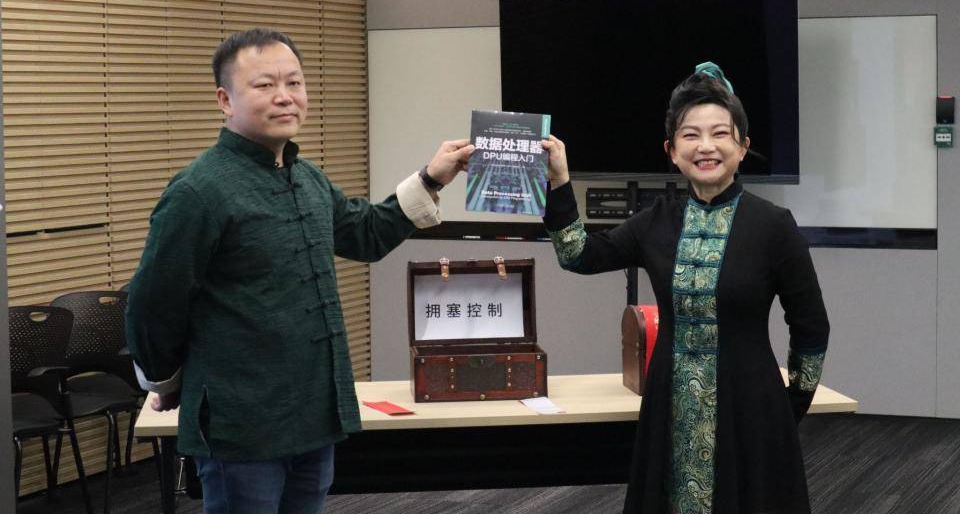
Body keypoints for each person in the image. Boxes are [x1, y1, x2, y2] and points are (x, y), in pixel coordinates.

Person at [125, 28, 474, 514]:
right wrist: (166, 381)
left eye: (294, 82)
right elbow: (152, 303)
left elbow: (365, 233)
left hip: (314, 413)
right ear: (225, 100)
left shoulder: (306, 177)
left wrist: (432, 177)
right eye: (265, 85)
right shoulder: (198, 191)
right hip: (242, 423)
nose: (285, 96)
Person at [541, 62, 829, 514]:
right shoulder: (656, 221)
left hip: (752, 410)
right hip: (668, 407)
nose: (706, 146)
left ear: (742, 147)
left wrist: (788, 407)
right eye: (691, 135)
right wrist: (560, 181)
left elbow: (811, 326)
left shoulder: (774, 226)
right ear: (672, 151)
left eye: (721, 134)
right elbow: (578, 254)